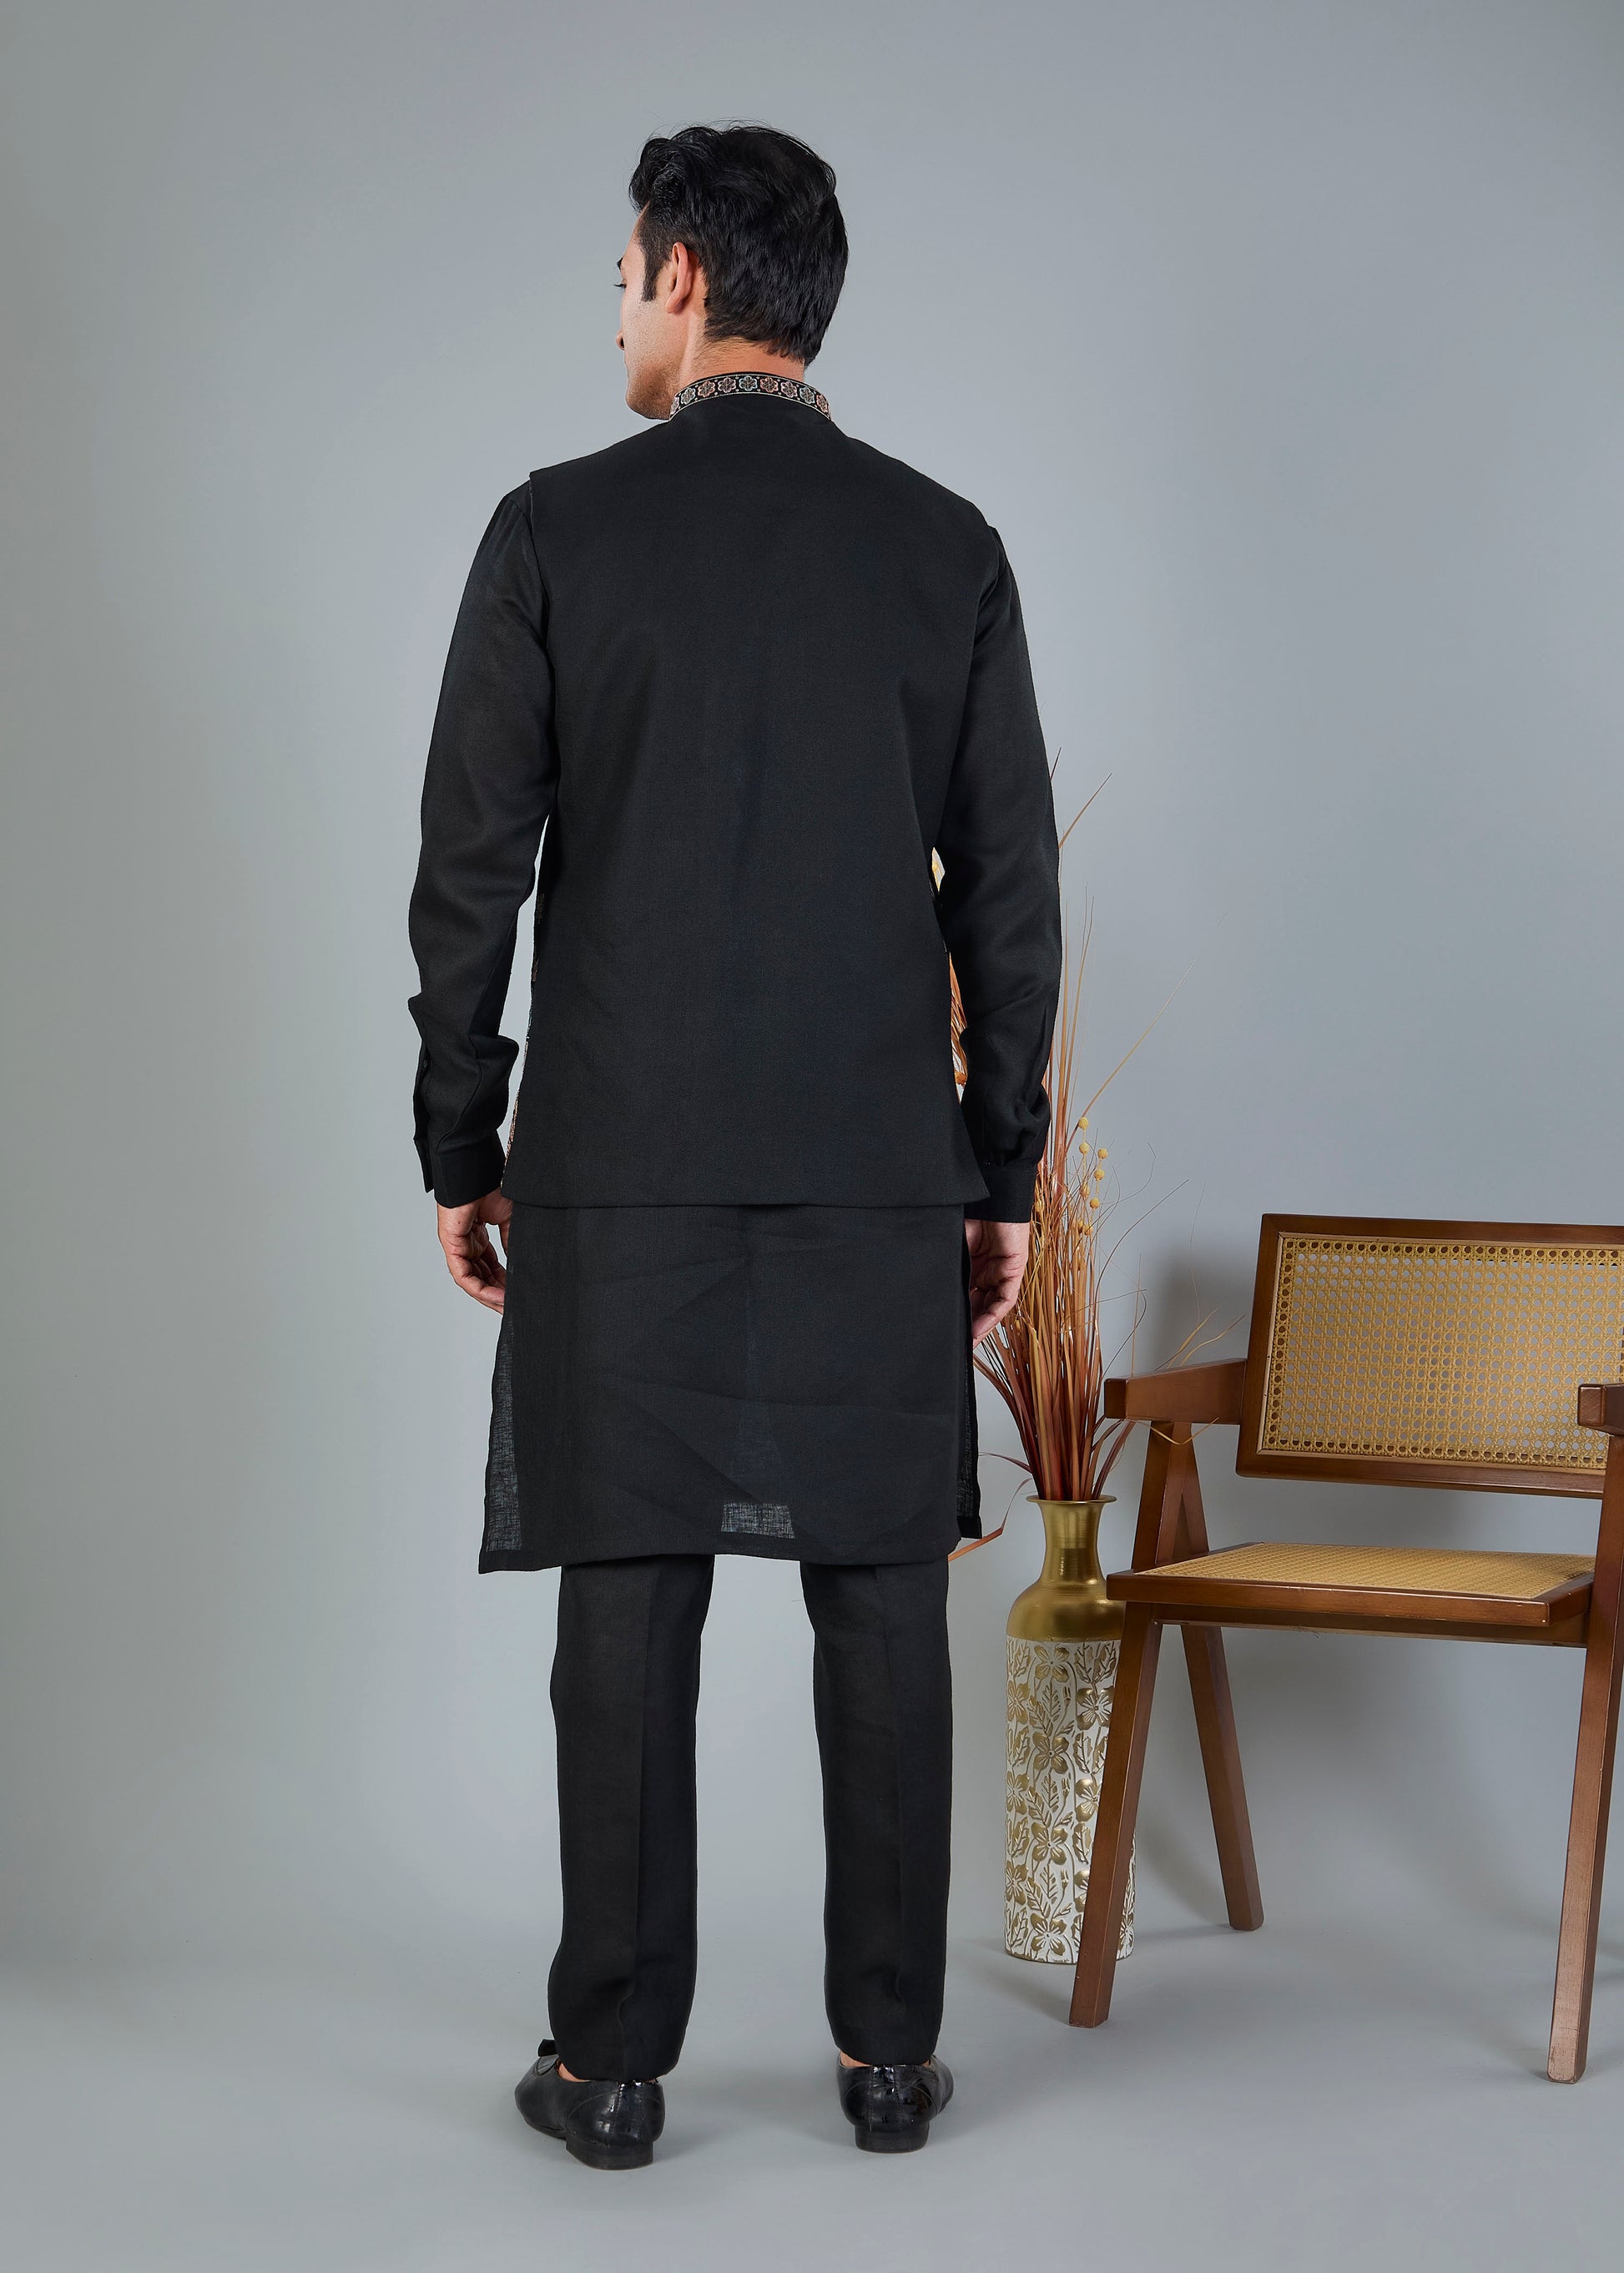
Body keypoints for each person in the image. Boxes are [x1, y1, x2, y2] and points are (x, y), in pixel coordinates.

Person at [406, 123, 1062, 2170]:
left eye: (623, 271)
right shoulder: (944, 547)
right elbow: (1011, 900)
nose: (613, 305)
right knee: (880, 1591)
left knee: (629, 1596)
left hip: (620, 1158)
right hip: (875, 1163)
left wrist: (458, 1141)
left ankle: (611, 2072)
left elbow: (469, 876)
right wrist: (997, 1170)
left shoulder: (552, 532)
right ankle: (888, 2064)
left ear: (684, 277)